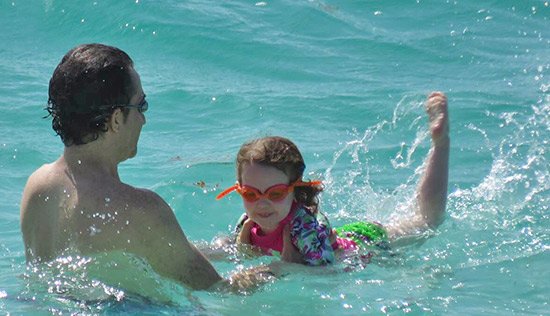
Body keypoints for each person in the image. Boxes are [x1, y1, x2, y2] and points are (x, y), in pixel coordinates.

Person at [20, 43, 270, 294]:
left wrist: (222, 250)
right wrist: (275, 271)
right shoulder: (141, 209)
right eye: (141, 106)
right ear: (116, 119)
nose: (144, 119)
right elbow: (220, 291)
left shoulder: (38, 186)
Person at [216, 92, 450, 265]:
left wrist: (283, 269)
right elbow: (229, 248)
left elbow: (329, 273)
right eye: (250, 194)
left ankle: (440, 144)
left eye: (275, 193)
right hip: (343, 235)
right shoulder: (247, 221)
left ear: (294, 189)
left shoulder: (305, 228)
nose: (262, 203)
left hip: (366, 245)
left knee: (427, 221)